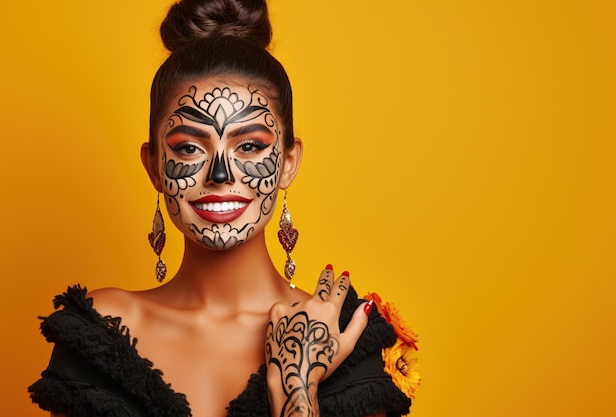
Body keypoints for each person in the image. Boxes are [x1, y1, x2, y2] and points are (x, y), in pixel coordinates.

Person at [28, 1, 416, 416]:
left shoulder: (343, 338)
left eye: (249, 146)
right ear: (154, 166)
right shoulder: (97, 332)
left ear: (288, 162)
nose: (220, 172)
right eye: (188, 148)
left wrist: (297, 384)